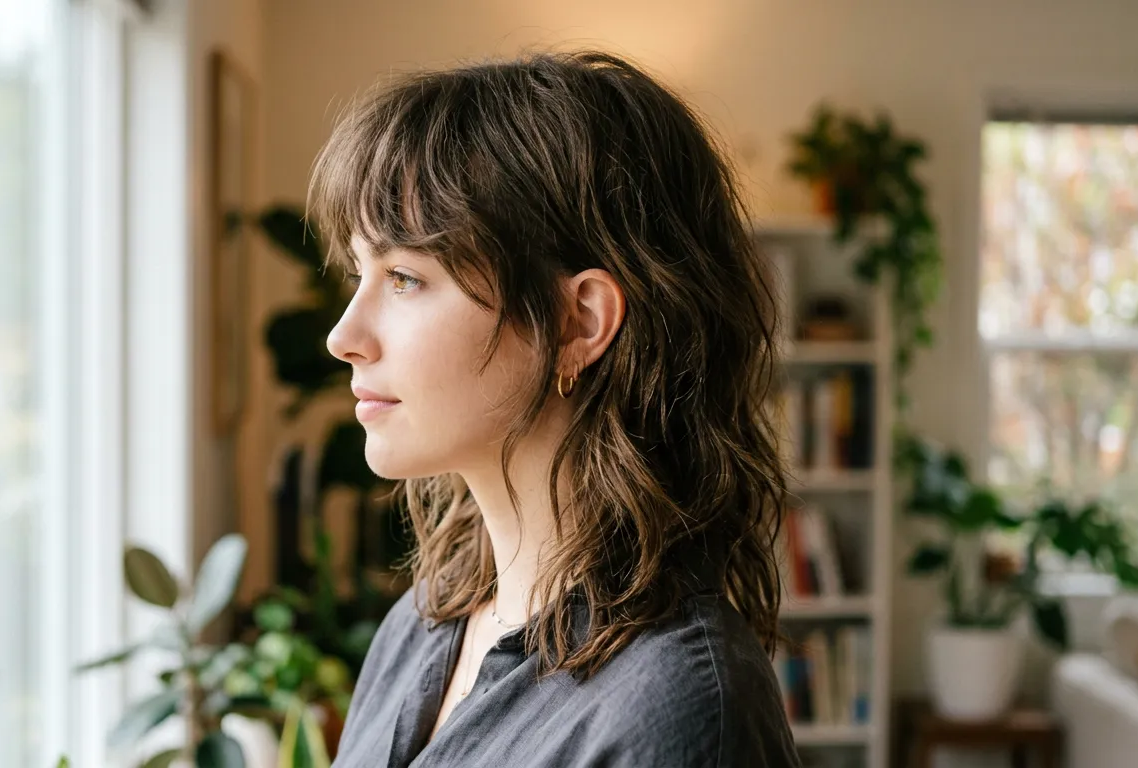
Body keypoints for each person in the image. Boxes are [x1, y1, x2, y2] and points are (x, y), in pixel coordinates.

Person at [314, 49, 799, 768]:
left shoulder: (678, 710)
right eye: (362, 274)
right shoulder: (419, 626)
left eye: (407, 278)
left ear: (579, 322)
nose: (343, 337)